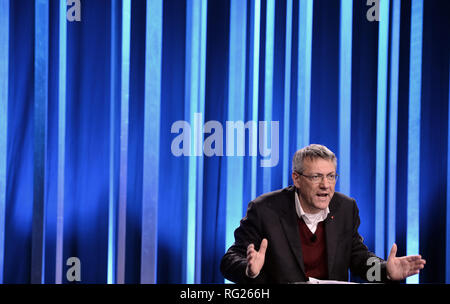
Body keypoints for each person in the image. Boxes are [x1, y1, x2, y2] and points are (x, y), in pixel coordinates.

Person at [220, 144, 426, 283]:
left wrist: (385, 271)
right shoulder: (265, 209)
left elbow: (358, 258)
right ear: (297, 178)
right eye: (316, 176)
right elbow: (229, 261)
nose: (325, 185)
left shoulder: (346, 208)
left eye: (330, 176)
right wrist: (249, 270)